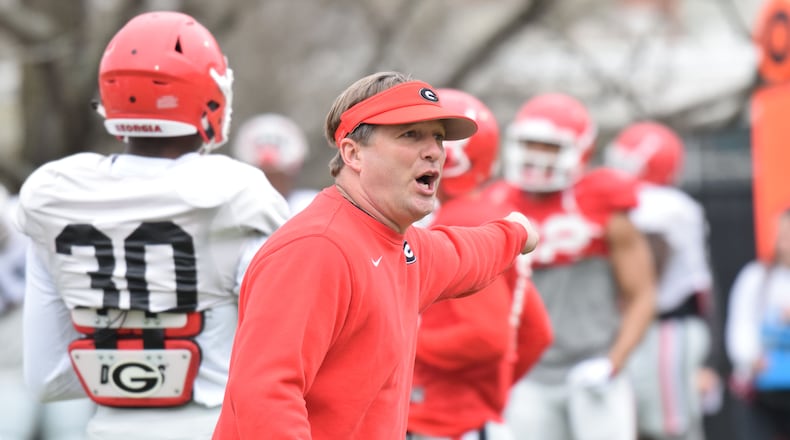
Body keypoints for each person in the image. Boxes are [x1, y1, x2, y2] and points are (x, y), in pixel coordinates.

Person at [213, 71, 540, 440]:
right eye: (410, 135)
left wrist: (516, 233)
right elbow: (265, 393)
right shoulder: (318, 247)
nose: (433, 150)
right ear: (352, 153)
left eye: (437, 137)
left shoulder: (401, 244)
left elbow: (465, 253)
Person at [16, 11, 289, 440]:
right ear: (209, 96)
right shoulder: (235, 192)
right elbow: (283, 352)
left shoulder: (53, 193)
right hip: (217, 423)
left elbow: (49, 377)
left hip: (107, 428)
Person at [492, 93, 656, 440]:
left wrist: (613, 361)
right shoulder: (497, 203)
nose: (536, 155)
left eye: (548, 146)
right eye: (529, 143)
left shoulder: (601, 201)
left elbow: (642, 295)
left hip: (592, 366)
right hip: (527, 374)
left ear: (579, 148)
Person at [407, 88, 553, 440]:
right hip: (470, 418)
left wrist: (405, 338)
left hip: (443, 421)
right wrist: (488, 390)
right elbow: (537, 333)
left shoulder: (461, 221)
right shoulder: (480, 215)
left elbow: (485, 337)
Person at [605, 121, 721, 440]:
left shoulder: (665, 206)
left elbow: (647, 272)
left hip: (666, 328)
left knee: (669, 429)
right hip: (647, 328)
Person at [0, 183, 96, 440]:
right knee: (10, 429)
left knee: (69, 430)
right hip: (9, 361)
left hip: (64, 354)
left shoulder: (27, 219)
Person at [726, 207, 790, 440]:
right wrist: (751, 358)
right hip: (762, 392)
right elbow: (740, 326)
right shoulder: (755, 277)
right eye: (782, 235)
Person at [231, 113, 319, 215]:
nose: (269, 187)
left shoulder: (312, 207)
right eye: (262, 177)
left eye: (276, 178)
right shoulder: (231, 211)